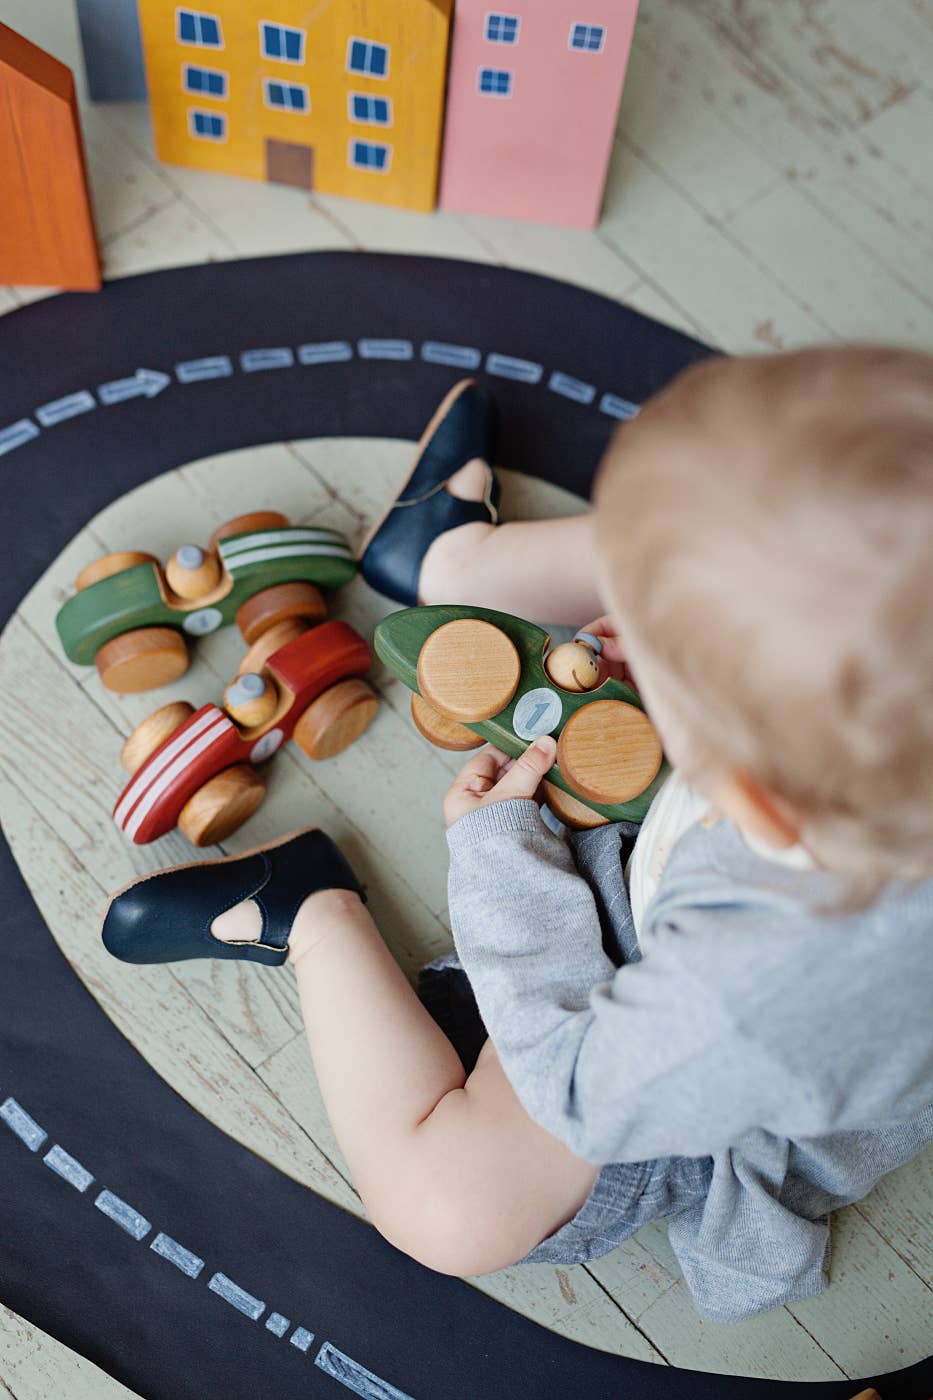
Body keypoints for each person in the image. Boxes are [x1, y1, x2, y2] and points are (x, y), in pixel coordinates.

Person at [101, 351, 933, 1322]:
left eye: (665, 679)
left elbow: (576, 1085)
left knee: (449, 1208)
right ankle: (451, 562)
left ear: (752, 796)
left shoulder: (743, 994)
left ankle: (309, 912)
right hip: (778, 839)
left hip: (669, 1056)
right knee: (746, 527)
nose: (620, 637)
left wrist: (501, 850)